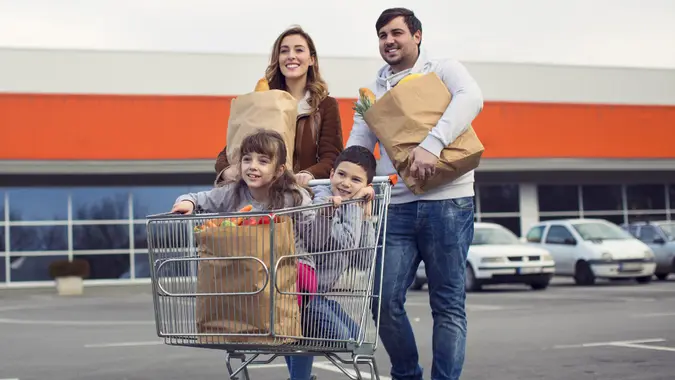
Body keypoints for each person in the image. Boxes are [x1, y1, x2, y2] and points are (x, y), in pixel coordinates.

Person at [345, 7, 484, 380]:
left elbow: (472, 97)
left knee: (448, 305)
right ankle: (406, 374)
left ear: (416, 36)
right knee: (383, 300)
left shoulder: (441, 69)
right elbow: (359, 146)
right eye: (382, 36)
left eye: (396, 33)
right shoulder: (371, 93)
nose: (389, 41)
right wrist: (346, 179)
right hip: (397, 207)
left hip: (449, 202)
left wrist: (432, 143)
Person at [287, 146, 378, 380]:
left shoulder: (352, 207)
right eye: (341, 174)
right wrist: (355, 204)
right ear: (331, 175)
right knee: (337, 337)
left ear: (366, 183)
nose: (346, 183)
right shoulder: (321, 200)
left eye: (356, 179)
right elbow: (346, 241)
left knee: (356, 337)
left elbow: (364, 259)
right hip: (298, 292)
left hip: (317, 296)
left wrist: (365, 215)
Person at [215, 25, 344, 187]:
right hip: (264, 196)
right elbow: (230, 151)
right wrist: (226, 170)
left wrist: (309, 173)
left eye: (298, 50)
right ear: (277, 59)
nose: (291, 56)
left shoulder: (325, 105)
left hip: (304, 197)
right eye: (284, 51)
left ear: (312, 59)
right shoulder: (264, 101)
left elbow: (332, 156)